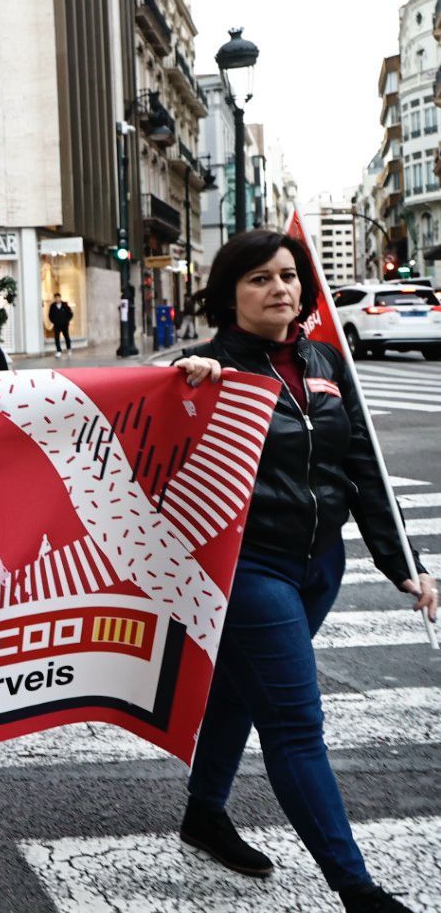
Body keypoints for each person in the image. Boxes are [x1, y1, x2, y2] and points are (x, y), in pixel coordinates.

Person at [173, 229, 437, 913]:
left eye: (288, 276)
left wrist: (401, 563)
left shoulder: (324, 358)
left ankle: (204, 814)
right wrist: (189, 387)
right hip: (247, 569)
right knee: (293, 723)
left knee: (239, 691)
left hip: (319, 565)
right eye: (259, 278)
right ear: (229, 293)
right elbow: (151, 436)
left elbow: (364, 468)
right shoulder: (207, 370)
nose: (279, 289)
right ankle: (357, 889)